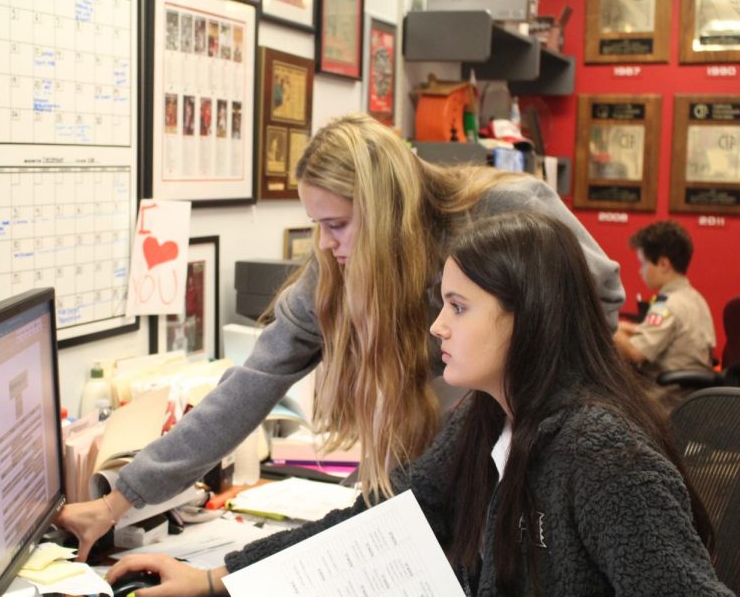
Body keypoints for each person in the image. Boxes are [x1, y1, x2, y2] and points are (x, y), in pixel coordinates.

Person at [56, 113, 625, 562]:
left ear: (381, 211)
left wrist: (508, 409)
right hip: (430, 478)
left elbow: (601, 297)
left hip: (530, 462)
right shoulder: (333, 273)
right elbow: (250, 384)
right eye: (316, 226)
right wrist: (115, 501)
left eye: (337, 224)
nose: (325, 245)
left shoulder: (501, 213)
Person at [104, 212, 729, 596]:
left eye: (458, 307)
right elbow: (380, 517)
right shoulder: (490, 419)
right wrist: (220, 579)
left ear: (526, 319)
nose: (437, 328)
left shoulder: (604, 458)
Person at [614, 220, 715, 411]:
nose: (640, 271)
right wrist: (626, 327)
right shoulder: (695, 299)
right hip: (689, 402)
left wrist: (607, 326)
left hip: (662, 403)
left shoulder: (667, 305)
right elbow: (663, 333)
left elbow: (636, 353)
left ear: (663, 264)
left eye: (643, 264)